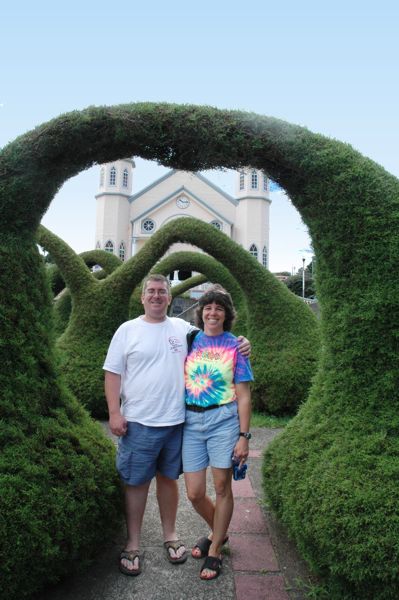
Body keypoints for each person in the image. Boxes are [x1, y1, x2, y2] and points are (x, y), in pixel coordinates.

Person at [103, 274, 250, 576]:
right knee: (142, 484)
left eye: (162, 292)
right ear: (142, 297)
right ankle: (133, 544)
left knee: (172, 481)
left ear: (170, 298)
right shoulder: (127, 330)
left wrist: (243, 341)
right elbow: (112, 373)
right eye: (151, 292)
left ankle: (177, 537)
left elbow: (217, 336)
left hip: (179, 422)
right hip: (141, 422)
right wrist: (114, 413)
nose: (156, 296)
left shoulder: (185, 331)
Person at [182, 285, 253, 581]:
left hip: (223, 421)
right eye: (208, 307)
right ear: (201, 313)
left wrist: (243, 437)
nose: (213, 312)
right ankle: (218, 533)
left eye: (219, 308)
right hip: (190, 422)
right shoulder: (190, 339)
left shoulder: (235, 346)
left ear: (227, 315)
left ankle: (215, 550)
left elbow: (245, 395)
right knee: (195, 492)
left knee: (222, 487)